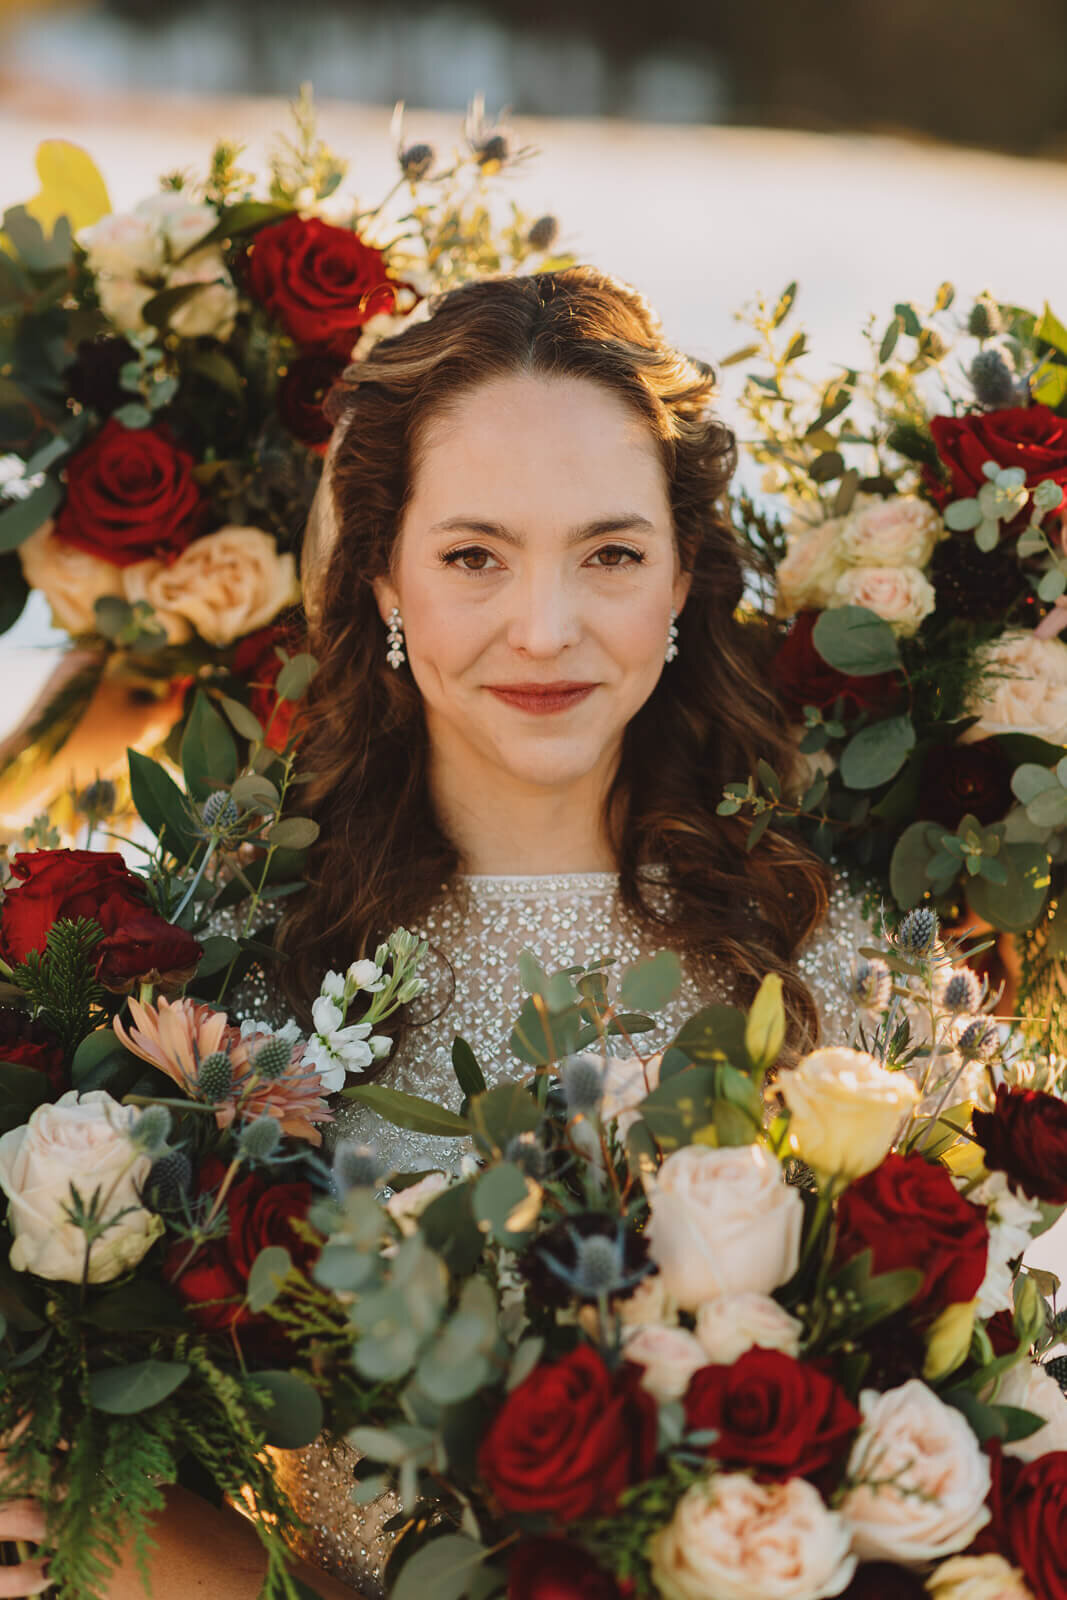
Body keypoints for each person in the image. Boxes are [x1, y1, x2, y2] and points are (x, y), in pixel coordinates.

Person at [0, 267, 871, 1597]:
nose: (545, 627)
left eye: (611, 554)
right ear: (386, 582)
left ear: (687, 575)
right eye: (474, 556)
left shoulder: (822, 969)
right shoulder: (225, 974)